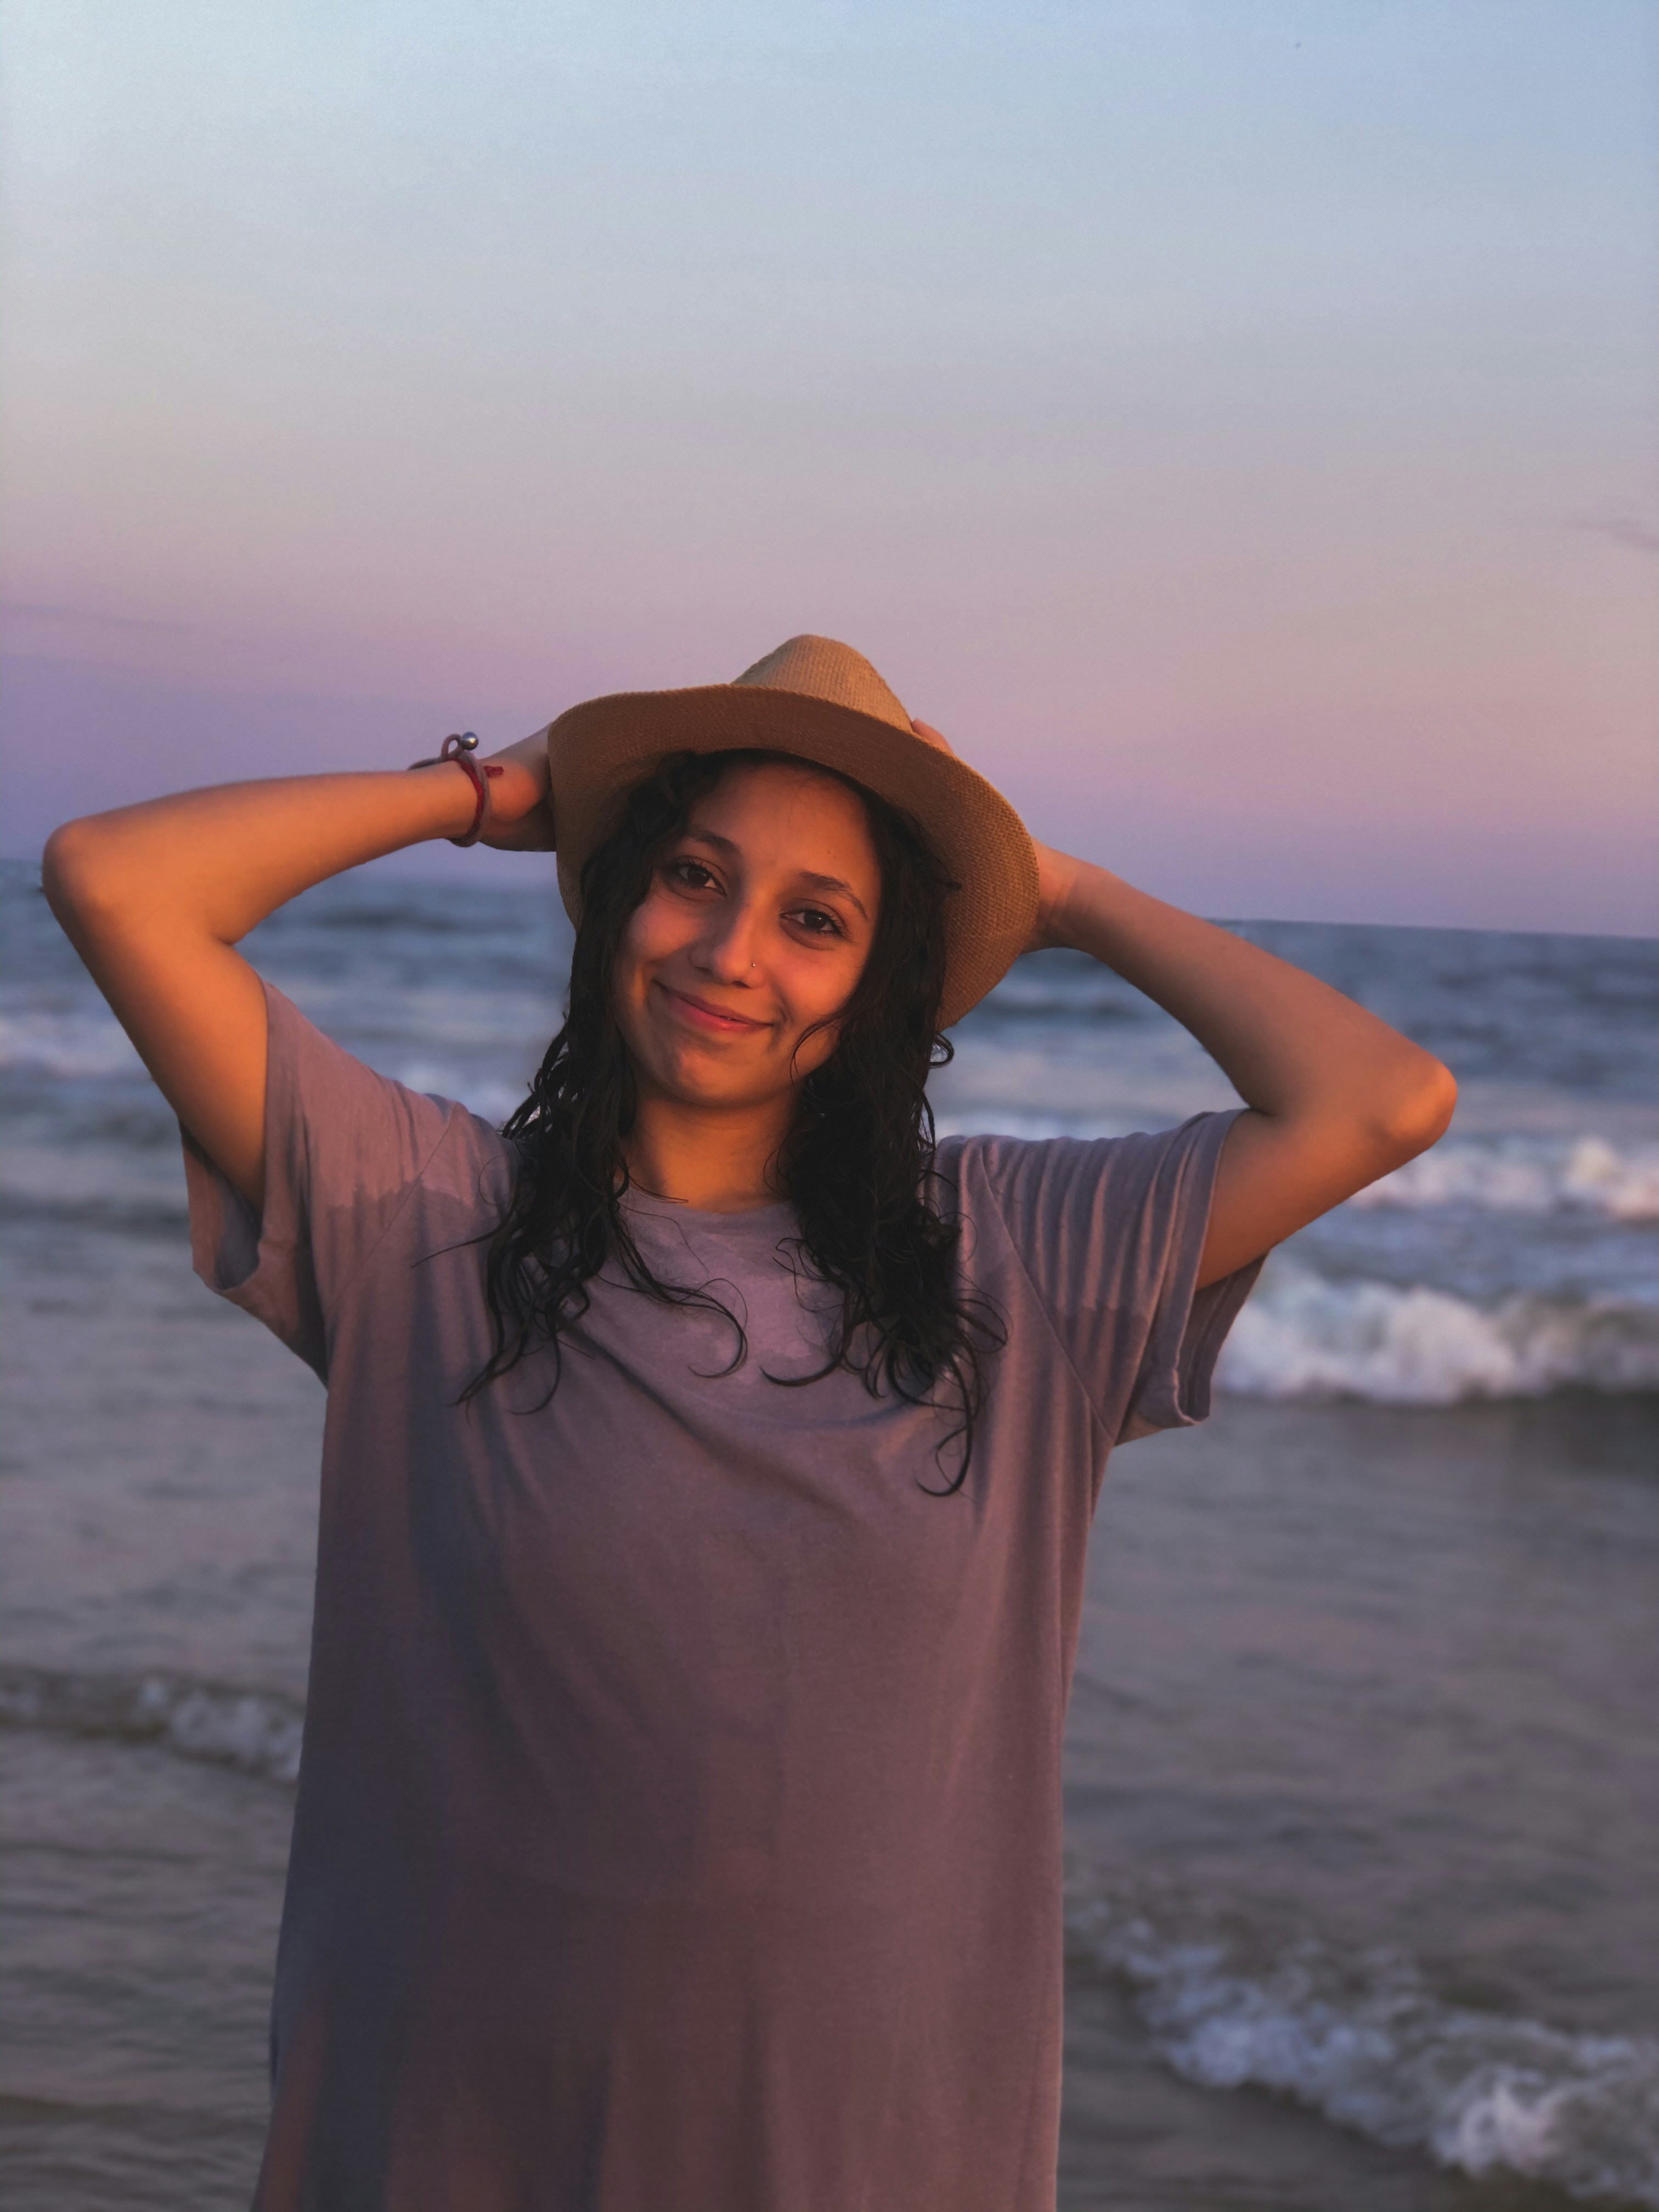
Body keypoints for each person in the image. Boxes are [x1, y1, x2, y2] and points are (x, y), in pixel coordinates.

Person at [43, 634, 1455, 2211]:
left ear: (882, 981)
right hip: (446, 2138)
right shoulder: (423, 1216)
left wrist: (1042, 888)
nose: (729, 951)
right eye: (693, 877)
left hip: (871, 2159)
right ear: (619, 896)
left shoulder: (1010, 1260)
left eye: (816, 919)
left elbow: (1380, 1099)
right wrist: (486, 792)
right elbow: (114, 880)